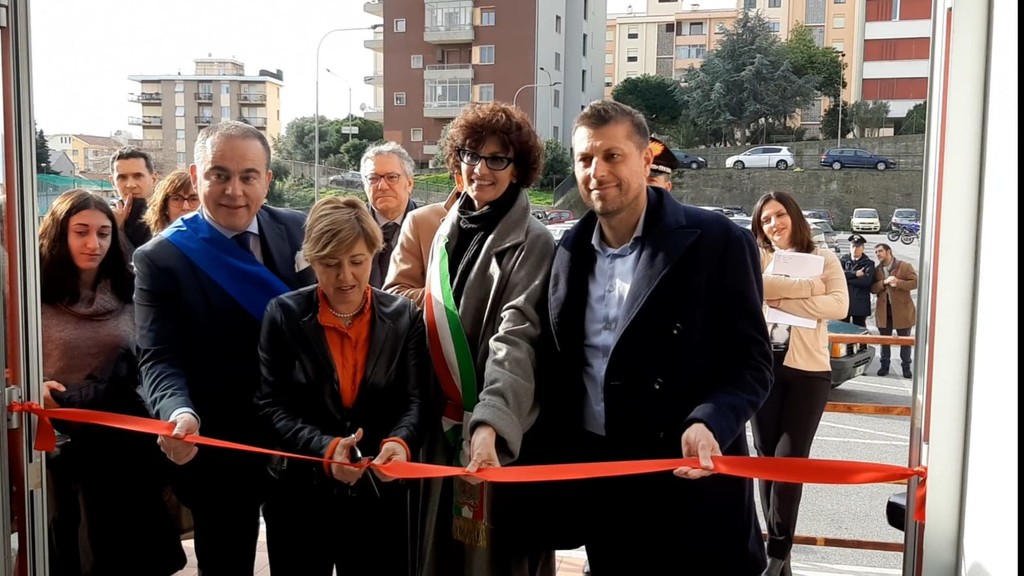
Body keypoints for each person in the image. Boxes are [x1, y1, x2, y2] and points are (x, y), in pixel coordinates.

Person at [544, 99, 774, 575]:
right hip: (607, 491)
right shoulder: (568, 249)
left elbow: (752, 362)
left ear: (646, 159)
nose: (596, 172)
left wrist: (711, 421)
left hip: (691, 483)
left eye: (612, 155)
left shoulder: (717, 240)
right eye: (585, 159)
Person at [133, 120, 315, 574]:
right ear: (196, 177)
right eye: (220, 175)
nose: (235, 190)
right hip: (219, 444)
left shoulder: (300, 230)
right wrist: (178, 412)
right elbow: (158, 354)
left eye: (248, 176)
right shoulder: (162, 257)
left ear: (267, 181)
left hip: (301, 438)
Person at [255, 196, 428, 575]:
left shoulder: (404, 316)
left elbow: (416, 401)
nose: (345, 276)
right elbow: (270, 405)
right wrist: (326, 449)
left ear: (374, 255)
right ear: (312, 261)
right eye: (331, 264)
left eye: (357, 261)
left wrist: (400, 443)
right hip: (300, 498)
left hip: (378, 496)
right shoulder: (283, 314)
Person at [419, 101, 555, 576]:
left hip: (495, 430)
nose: (480, 169)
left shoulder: (534, 241)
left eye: (497, 159)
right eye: (471, 155)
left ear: (518, 169)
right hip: (440, 428)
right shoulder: (447, 228)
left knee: (492, 559)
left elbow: (516, 337)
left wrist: (490, 424)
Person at [39, 189, 185, 575]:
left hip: (126, 444)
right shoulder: (31, 294)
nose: (94, 243)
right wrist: (31, 383)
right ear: (59, 234)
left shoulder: (131, 288)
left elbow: (153, 353)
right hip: (62, 445)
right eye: (81, 232)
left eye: (103, 233)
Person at [750, 191, 849, 576]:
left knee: (790, 461)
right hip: (763, 368)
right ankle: (780, 558)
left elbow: (838, 305)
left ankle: (777, 551)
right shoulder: (758, 257)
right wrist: (808, 288)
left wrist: (781, 300)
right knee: (765, 459)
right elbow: (753, 289)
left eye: (779, 215)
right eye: (765, 220)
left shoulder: (824, 257)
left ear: (793, 215)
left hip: (808, 372)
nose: (774, 224)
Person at [383, 185, 460, 308]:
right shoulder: (421, 220)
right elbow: (394, 296)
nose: (382, 186)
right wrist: (452, 297)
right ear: (458, 178)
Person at [360, 142, 419, 288]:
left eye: (392, 177)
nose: (382, 186)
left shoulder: (430, 229)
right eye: (373, 178)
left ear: (409, 183)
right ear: (364, 185)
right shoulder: (348, 229)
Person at [872, 243, 918, 378]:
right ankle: (884, 366)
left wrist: (898, 283)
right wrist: (883, 283)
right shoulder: (877, 270)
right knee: (884, 341)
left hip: (903, 311)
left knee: (905, 341)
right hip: (884, 311)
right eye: (876, 252)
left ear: (889, 251)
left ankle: (906, 367)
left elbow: (915, 283)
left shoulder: (904, 266)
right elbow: (873, 288)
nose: (878, 254)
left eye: (880, 251)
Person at [109, 145, 158, 254]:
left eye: (138, 176)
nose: (130, 185)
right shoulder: (103, 219)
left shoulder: (169, 214)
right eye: (122, 177)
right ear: (112, 182)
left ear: (154, 179)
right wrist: (114, 229)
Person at [143, 169, 200, 235]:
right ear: (164, 204)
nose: (185, 207)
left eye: (194, 199)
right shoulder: (149, 238)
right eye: (177, 199)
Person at [840, 233, 876, 327]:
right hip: (845, 300)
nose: (855, 249)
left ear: (863, 249)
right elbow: (838, 276)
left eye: (858, 247)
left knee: (860, 328)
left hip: (860, 302)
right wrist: (855, 274)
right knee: (842, 328)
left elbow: (866, 282)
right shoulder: (843, 260)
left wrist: (846, 280)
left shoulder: (868, 263)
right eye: (853, 246)